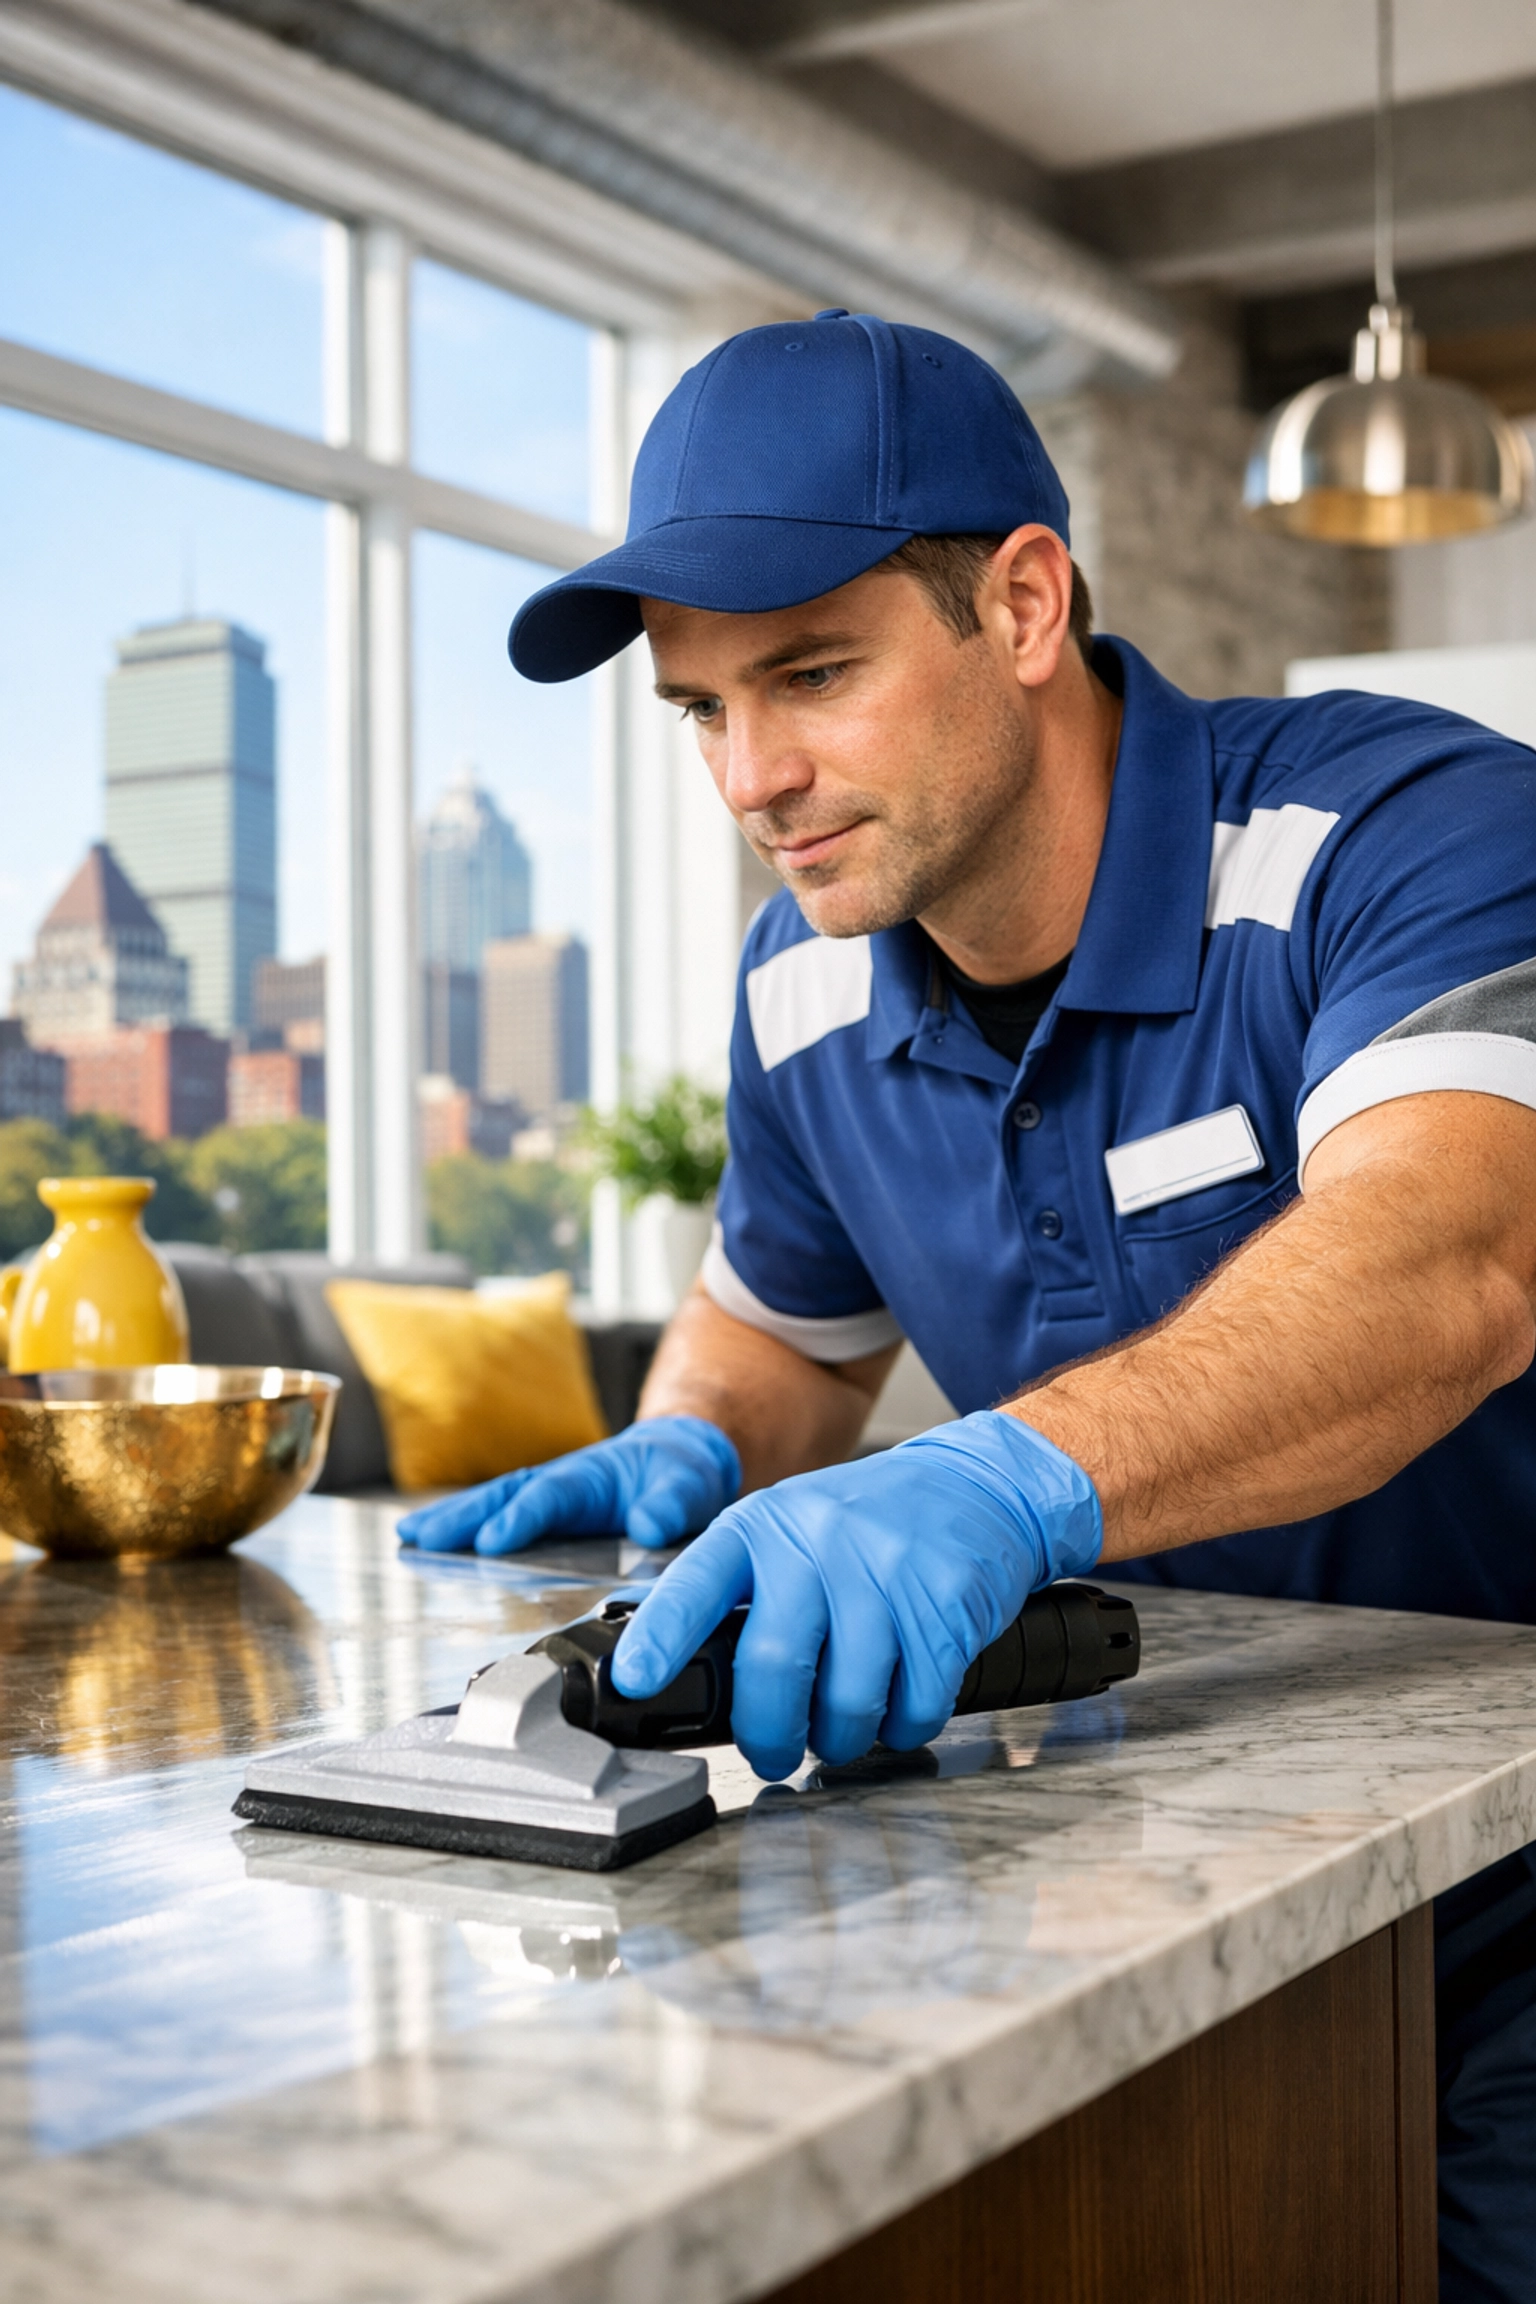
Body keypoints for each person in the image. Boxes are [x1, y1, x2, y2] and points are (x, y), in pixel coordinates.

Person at [399, 310, 1536, 2300]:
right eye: (701, 712)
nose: (753, 776)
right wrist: (698, 1444)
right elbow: (775, 1341)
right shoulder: (799, 985)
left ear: (1022, 602)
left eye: (812, 675)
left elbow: (1456, 1261)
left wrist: (997, 1480)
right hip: (1156, 1872)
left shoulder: (1406, 835)